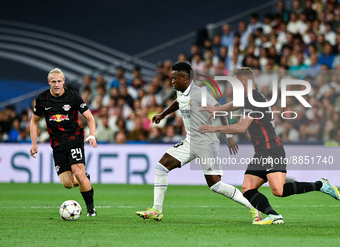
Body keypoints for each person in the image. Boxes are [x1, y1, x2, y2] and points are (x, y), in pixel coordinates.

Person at [199, 67, 340, 225]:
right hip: (261, 152)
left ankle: (320, 185)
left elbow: (241, 127)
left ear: (243, 81)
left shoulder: (255, 99)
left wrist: (215, 128)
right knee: (247, 188)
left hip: (272, 149)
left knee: (279, 190)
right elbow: (235, 104)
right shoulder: (250, 96)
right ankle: (273, 215)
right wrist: (216, 109)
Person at [136, 62, 261, 223]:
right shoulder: (182, 93)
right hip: (190, 142)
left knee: (215, 185)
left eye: (175, 78)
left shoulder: (200, 94)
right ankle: (156, 210)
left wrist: (229, 136)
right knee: (161, 167)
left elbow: (221, 111)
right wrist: (162, 114)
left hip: (207, 143)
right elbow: (178, 102)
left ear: (185, 78)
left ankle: (254, 208)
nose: (172, 81)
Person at [30, 68, 98, 217]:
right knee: (67, 184)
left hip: (74, 138)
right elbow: (34, 121)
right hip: (57, 143)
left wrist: (92, 135)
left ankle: (91, 210)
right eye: (53, 81)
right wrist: (34, 143)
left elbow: (90, 118)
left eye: (59, 81)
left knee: (78, 173)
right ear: (49, 82)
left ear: (63, 81)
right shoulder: (42, 99)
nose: (56, 84)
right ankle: (85, 178)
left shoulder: (73, 97)